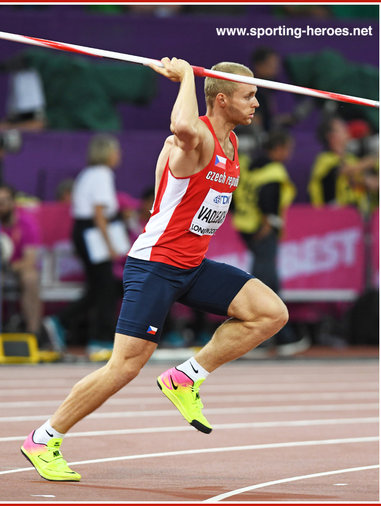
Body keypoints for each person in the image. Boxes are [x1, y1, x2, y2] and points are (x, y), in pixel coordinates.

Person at [20, 57, 288, 482]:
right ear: (221, 99)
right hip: (156, 265)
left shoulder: (232, 143)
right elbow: (182, 128)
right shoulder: (194, 136)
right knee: (123, 367)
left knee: (270, 312)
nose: (257, 103)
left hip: (191, 265)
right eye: (249, 95)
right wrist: (184, 77)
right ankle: (44, 437)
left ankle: (186, 377)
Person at [43, 135, 126, 361]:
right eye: (115, 150)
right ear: (106, 153)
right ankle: (99, 339)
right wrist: (109, 245)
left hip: (84, 232)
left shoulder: (88, 174)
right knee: (106, 287)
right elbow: (99, 213)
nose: (119, 155)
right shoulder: (101, 174)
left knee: (99, 287)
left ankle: (59, 320)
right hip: (93, 233)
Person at [232, 130, 308, 355]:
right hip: (262, 231)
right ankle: (273, 338)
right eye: (288, 149)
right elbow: (268, 200)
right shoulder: (273, 171)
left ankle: (274, 338)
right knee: (265, 286)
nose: (289, 154)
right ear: (278, 148)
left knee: (265, 283)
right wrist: (267, 226)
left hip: (245, 227)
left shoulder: (249, 165)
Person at [0, 184, 43, 336]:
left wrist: (9, 267)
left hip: (16, 267)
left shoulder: (26, 223)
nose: (0, 206)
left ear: (12, 202)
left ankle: (33, 333)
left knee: (30, 277)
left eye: (3, 202)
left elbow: (29, 260)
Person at [308, 115, 378, 214]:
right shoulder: (324, 159)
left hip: (357, 218)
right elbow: (343, 170)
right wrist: (372, 160)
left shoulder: (352, 159)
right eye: (342, 127)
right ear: (331, 136)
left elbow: (367, 182)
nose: (347, 129)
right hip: (330, 217)